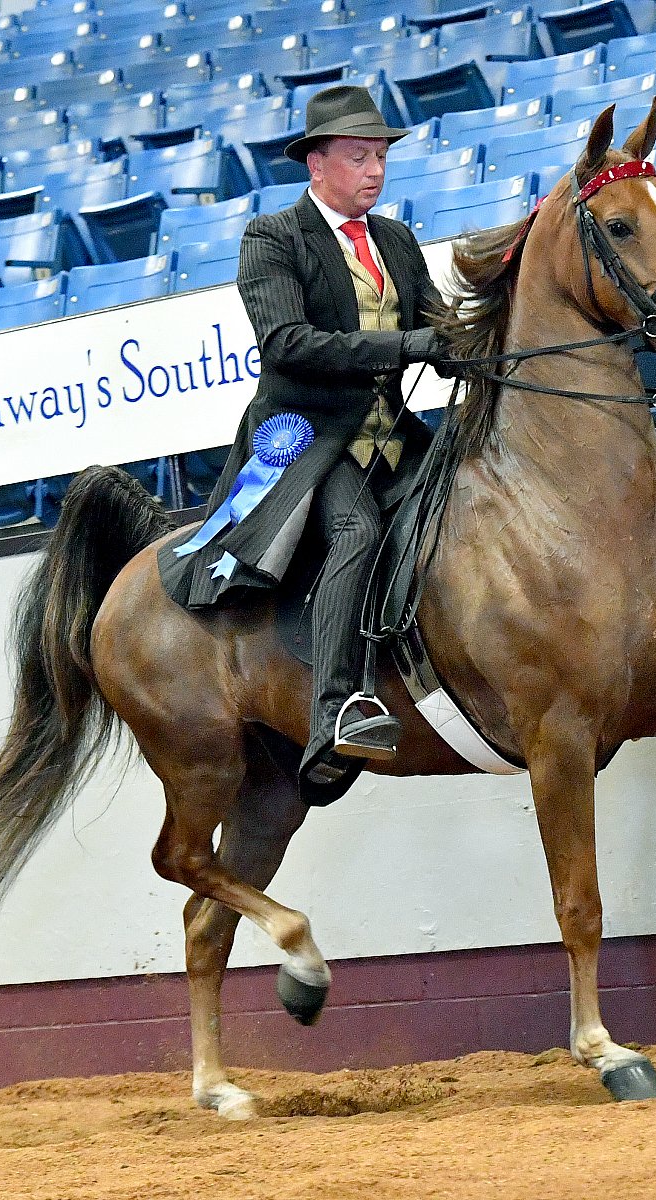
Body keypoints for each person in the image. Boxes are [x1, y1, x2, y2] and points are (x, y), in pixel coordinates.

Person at [163, 84, 447, 802]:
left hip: (391, 434)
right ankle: (337, 711)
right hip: (311, 437)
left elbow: (436, 326)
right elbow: (287, 343)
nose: (375, 171)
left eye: (380, 156)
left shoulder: (397, 241)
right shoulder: (273, 238)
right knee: (357, 530)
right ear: (316, 164)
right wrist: (406, 341)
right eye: (359, 157)